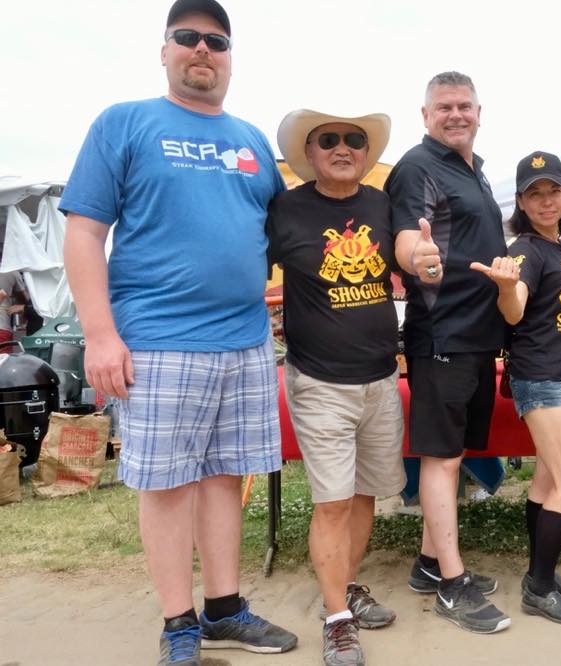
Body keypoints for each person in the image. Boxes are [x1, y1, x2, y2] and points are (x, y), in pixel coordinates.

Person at [60, 2, 297, 664]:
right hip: (158, 340)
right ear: (164, 51)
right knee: (166, 486)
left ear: (230, 58)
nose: (202, 49)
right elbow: (84, 233)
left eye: (216, 41)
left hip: (246, 341)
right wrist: (100, 335)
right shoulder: (125, 122)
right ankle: (178, 623)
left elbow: (285, 236)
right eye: (186, 37)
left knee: (224, 477)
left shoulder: (252, 141)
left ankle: (224, 610)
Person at [269, 108, 405, 666]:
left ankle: (344, 589)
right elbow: (244, 266)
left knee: (366, 493)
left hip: (381, 378)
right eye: (329, 139)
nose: (343, 147)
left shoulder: (383, 205)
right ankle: (336, 620)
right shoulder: (284, 209)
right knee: (333, 503)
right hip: (321, 383)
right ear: (310, 152)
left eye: (354, 139)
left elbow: (410, 261)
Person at [384, 71, 511, 634]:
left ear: (479, 113)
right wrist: (418, 256)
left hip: (477, 337)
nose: (456, 114)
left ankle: (430, 564)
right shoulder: (418, 165)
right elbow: (408, 237)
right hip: (443, 334)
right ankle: (453, 586)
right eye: (444, 107)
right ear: (426, 115)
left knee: (452, 453)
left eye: (464, 106)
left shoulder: (473, 170)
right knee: (441, 458)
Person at [472, 151, 561, 625]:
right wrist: (506, 287)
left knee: (547, 480)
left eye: (553, 191)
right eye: (534, 194)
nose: (546, 201)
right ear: (520, 202)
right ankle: (540, 591)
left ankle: (540, 574)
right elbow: (516, 309)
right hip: (542, 377)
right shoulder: (525, 250)